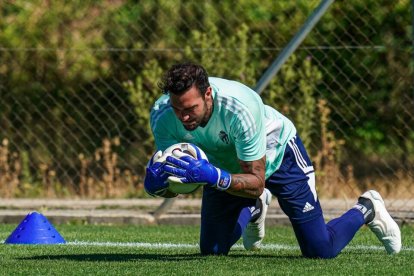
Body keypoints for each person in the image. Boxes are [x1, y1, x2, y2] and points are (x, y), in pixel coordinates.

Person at [144, 62, 401, 257]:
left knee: (321, 249)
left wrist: (214, 176)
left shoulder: (240, 108)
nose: (183, 117)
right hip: (224, 167)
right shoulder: (163, 115)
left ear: (208, 94)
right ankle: (254, 208)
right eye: (178, 109)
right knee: (212, 250)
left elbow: (257, 181)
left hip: (278, 157)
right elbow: (181, 177)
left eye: (190, 109)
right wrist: (161, 187)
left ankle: (367, 207)